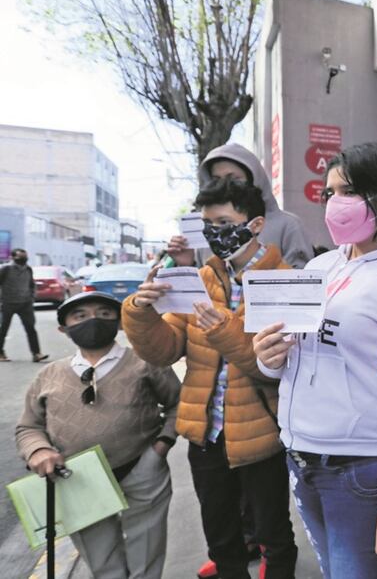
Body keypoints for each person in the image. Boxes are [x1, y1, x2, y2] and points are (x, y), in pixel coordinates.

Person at [252, 142, 377, 578]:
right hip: (302, 458)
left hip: (361, 469)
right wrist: (270, 359)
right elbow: (295, 356)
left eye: (348, 191)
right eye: (329, 193)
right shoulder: (321, 267)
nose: (334, 203)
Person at [123, 179, 297, 579]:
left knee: (273, 532)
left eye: (223, 223)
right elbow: (165, 350)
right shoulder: (199, 279)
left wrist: (222, 330)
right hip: (205, 433)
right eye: (208, 224)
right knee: (220, 535)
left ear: (255, 225)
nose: (214, 233)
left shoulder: (282, 280)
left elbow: (270, 367)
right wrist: (140, 312)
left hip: (261, 434)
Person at [16, 291, 180, 578]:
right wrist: (39, 450)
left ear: (119, 322)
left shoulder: (145, 362)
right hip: (77, 479)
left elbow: (179, 404)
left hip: (142, 469)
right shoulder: (48, 375)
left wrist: (161, 446)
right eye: (80, 316)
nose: (93, 320)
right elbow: (29, 427)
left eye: (104, 314)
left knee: (147, 555)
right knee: (101, 560)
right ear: (64, 329)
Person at [166, 143, 314, 270]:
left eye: (234, 179)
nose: (225, 185)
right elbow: (203, 284)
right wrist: (187, 264)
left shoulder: (288, 225)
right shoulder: (205, 230)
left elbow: (302, 283)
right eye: (216, 179)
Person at [0, 248, 48, 362]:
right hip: (8, 303)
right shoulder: (6, 269)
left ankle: (36, 354)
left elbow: (32, 284)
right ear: (13, 257)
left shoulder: (28, 269)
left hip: (25, 304)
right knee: (3, 329)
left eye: (25, 256)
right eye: (20, 257)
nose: (23, 259)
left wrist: (32, 297)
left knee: (31, 329)